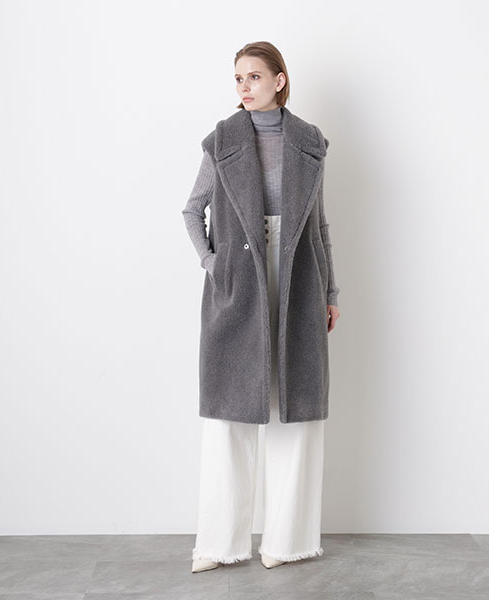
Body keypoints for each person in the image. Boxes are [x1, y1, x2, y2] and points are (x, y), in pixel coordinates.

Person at [182, 41, 340, 573]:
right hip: (239, 281)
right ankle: (219, 544)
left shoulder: (308, 142)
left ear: (279, 79)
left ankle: (286, 542)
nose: (243, 87)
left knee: (295, 409)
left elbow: (319, 225)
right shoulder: (222, 140)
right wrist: (214, 264)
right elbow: (192, 210)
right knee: (230, 413)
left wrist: (331, 293)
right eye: (238, 78)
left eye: (253, 76)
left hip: (298, 277)